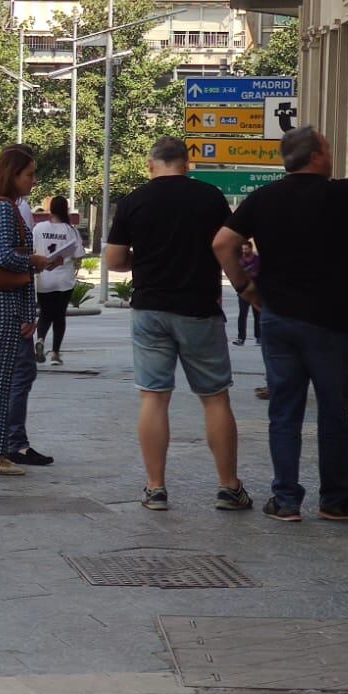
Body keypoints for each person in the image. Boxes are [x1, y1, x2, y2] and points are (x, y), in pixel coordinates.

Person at [215, 127, 348, 523]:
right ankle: (335, 499)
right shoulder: (346, 194)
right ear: (317, 156)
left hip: (278, 320)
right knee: (333, 412)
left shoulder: (264, 199)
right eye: (327, 148)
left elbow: (222, 242)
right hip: (332, 323)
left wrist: (246, 289)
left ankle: (286, 500)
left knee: (285, 411)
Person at [104, 137, 251, 513]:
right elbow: (228, 244)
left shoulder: (134, 201)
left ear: (151, 164)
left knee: (154, 397)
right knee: (215, 397)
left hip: (150, 307)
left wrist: (147, 255)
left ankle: (155, 488)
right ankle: (229, 488)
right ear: (187, 164)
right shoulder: (210, 197)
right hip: (199, 307)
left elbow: (115, 260)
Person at [0, 146, 58, 476]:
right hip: (1, 306)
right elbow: (4, 258)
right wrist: (33, 261)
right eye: (29, 174)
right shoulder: (5, 210)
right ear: (13, 175)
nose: (34, 181)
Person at [33, 195, 84, 366]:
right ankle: (55, 353)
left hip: (44, 279)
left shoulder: (39, 228)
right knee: (59, 316)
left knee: (45, 314)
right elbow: (78, 255)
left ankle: (40, 339)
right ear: (66, 209)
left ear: (50, 209)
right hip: (64, 280)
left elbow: (31, 250)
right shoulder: (71, 231)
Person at [233, 240, 261, 346]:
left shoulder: (257, 259)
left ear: (250, 248)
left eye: (246, 248)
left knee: (257, 314)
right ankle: (241, 338)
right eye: (243, 249)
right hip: (243, 291)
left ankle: (259, 337)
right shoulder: (240, 260)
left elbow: (256, 273)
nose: (244, 251)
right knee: (242, 315)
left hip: (255, 291)